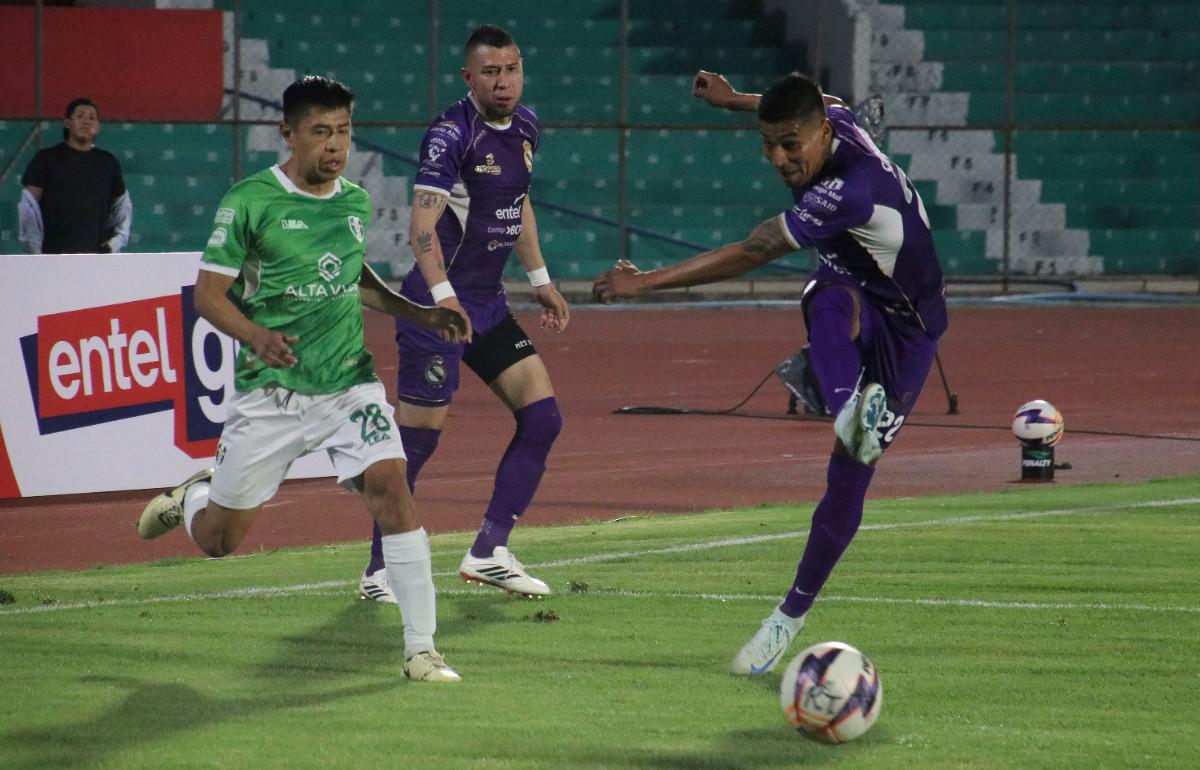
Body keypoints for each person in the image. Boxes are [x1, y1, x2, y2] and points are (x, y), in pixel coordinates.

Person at [593, 70, 947, 675]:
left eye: (791, 145)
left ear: (817, 134)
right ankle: (846, 413)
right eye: (768, 145)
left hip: (911, 330)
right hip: (858, 285)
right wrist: (736, 101)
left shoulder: (849, 190)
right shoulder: (834, 117)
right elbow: (805, 102)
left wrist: (643, 283)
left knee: (847, 480)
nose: (780, 159)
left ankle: (790, 615)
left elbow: (755, 249)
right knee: (827, 295)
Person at [134, 76, 469, 683]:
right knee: (219, 542)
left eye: (343, 131)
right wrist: (256, 335)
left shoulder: (355, 201)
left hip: (348, 385)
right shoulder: (250, 201)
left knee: (393, 488)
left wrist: (418, 312)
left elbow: (355, 277)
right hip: (271, 394)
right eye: (320, 132)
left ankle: (422, 650)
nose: (335, 145)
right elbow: (209, 296)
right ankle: (194, 497)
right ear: (288, 133)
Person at [357, 24, 569, 603]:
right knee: (417, 444)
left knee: (544, 418)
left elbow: (516, 204)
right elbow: (420, 228)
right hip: (435, 308)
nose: (504, 82)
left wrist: (541, 279)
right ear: (468, 77)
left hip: (488, 306)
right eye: (491, 72)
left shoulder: (526, 126)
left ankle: (489, 551)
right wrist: (443, 297)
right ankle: (378, 571)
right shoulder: (451, 134)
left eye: (512, 69)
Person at [19, 97, 132, 254]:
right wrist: (36, 253)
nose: (86, 121)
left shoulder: (108, 162)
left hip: (96, 255)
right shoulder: (46, 158)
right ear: (67, 123)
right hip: (52, 254)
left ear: (98, 127)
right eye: (80, 116)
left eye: (92, 118)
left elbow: (121, 208)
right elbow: (29, 207)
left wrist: (114, 244)